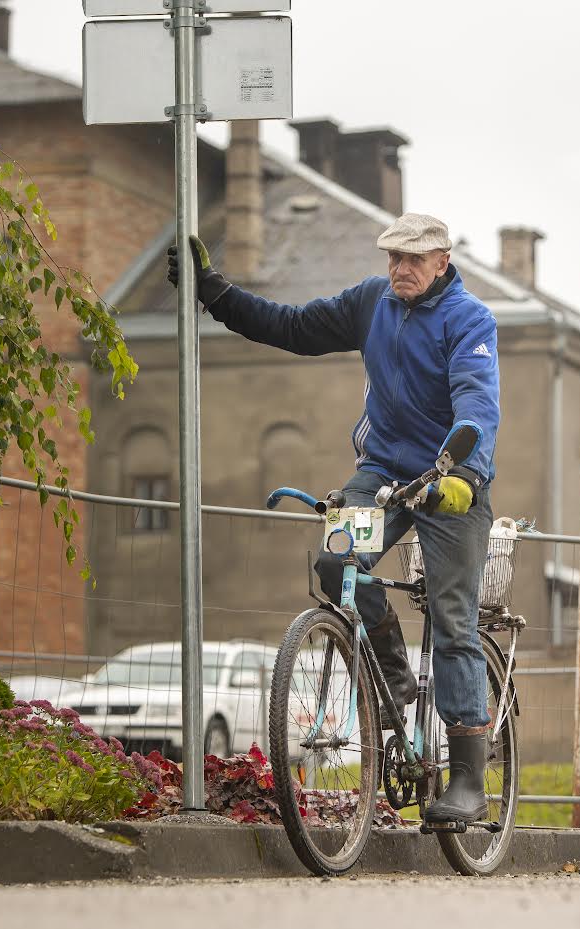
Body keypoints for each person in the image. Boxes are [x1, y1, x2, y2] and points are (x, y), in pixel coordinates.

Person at [167, 213, 500, 823]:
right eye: (392, 257)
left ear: (442, 261)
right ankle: (394, 679)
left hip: (450, 479)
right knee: (335, 561)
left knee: (453, 619)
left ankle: (468, 780)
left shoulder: (469, 319)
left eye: (413, 259)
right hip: (383, 471)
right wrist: (215, 293)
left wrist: (465, 473)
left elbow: (477, 398)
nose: (399, 268)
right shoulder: (372, 301)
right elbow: (293, 327)